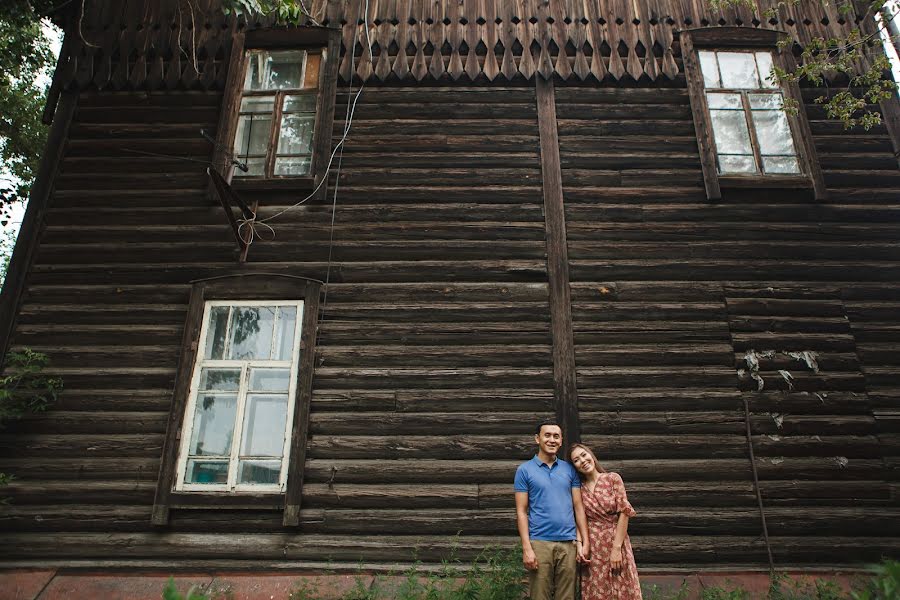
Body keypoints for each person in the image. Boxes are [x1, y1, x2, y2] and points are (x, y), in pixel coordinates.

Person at [514, 420, 590, 600]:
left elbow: (578, 507)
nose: (552, 440)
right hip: (539, 542)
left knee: (567, 597)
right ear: (537, 439)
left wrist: (584, 542)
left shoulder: (569, 469)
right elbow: (521, 511)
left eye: (556, 436)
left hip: (568, 543)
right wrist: (527, 548)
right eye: (547, 435)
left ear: (561, 441)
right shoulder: (524, 471)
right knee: (540, 595)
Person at [568, 443, 642, 600]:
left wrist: (616, 549)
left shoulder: (612, 479)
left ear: (591, 455)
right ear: (574, 466)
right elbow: (578, 518)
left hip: (616, 540)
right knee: (597, 589)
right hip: (594, 545)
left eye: (583, 455)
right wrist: (580, 545)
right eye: (576, 460)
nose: (582, 461)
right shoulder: (578, 489)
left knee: (623, 587)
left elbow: (624, 512)